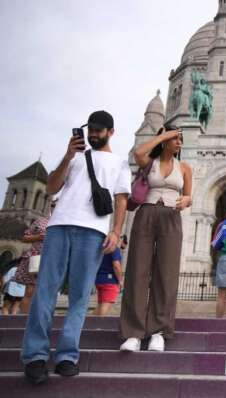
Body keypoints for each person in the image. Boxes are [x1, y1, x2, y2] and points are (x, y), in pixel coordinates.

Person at [22, 111, 131, 384]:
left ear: (111, 132)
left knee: (80, 297)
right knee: (45, 292)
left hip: (93, 232)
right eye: (90, 129)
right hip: (59, 227)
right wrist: (68, 156)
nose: (93, 134)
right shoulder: (75, 158)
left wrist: (116, 232)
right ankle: (35, 356)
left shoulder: (119, 162)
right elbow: (51, 187)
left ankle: (67, 356)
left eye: (98, 130)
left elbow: (121, 201)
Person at [119, 125, 193, 352]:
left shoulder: (185, 167)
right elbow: (138, 154)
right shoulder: (149, 163)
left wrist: (186, 201)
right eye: (175, 138)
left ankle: (159, 331)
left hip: (171, 216)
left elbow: (189, 196)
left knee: (167, 273)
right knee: (137, 270)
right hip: (146, 213)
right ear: (165, 140)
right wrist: (162, 135)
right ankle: (133, 333)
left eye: (180, 139)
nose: (179, 142)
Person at [14, 202, 54, 314]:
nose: (55, 207)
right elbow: (25, 237)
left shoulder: (65, 224)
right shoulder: (41, 221)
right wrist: (38, 236)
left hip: (53, 260)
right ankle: (24, 320)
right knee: (30, 291)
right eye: (53, 205)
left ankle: (40, 320)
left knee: (46, 292)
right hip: (36, 258)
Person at [94, 235, 126, 316]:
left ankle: (91, 324)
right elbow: (116, 265)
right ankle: (99, 327)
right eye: (124, 242)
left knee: (100, 305)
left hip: (99, 279)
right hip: (110, 281)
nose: (124, 245)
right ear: (119, 239)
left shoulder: (102, 249)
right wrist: (121, 280)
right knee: (106, 305)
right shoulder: (114, 249)